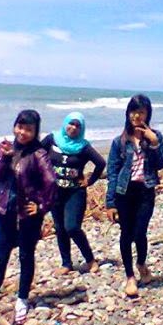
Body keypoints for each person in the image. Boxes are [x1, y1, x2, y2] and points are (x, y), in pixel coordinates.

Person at [0, 110, 57, 325]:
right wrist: (5, 157)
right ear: (15, 126)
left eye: (28, 129)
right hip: (5, 211)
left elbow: (51, 182)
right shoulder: (6, 148)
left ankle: (22, 299)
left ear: (35, 132)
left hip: (27, 215)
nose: (22, 132)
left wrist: (41, 206)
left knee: (26, 256)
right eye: (20, 127)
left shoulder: (38, 154)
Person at [105, 95, 163, 297]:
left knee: (140, 232)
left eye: (141, 112)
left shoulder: (155, 137)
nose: (136, 116)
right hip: (124, 192)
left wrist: (154, 142)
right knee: (126, 233)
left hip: (145, 191)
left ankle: (141, 263)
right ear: (127, 113)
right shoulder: (119, 142)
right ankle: (130, 276)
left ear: (148, 114)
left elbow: (160, 164)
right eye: (133, 111)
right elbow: (112, 172)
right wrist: (110, 203)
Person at [42, 112, 106, 274]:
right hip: (55, 192)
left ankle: (90, 260)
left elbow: (100, 163)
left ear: (81, 129)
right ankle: (66, 263)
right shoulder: (52, 139)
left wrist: (89, 181)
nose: (74, 128)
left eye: (78, 125)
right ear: (65, 124)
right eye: (71, 124)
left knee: (72, 227)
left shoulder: (83, 146)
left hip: (75, 193)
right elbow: (37, 154)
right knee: (59, 228)